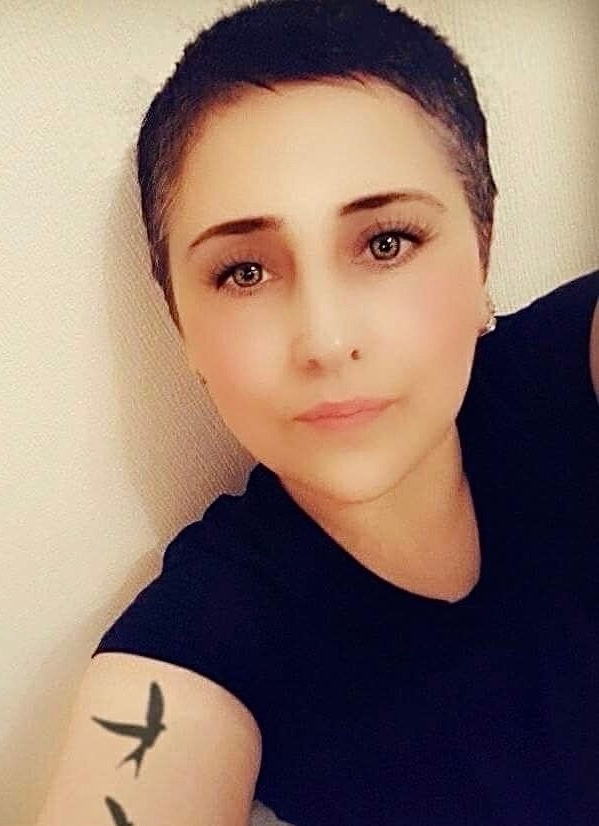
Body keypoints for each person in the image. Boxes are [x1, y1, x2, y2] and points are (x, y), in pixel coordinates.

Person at [34, 1, 599, 824]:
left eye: (386, 243)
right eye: (244, 272)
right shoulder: (204, 638)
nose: (326, 342)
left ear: (482, 249)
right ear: (182, 329)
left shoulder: (572, 376)